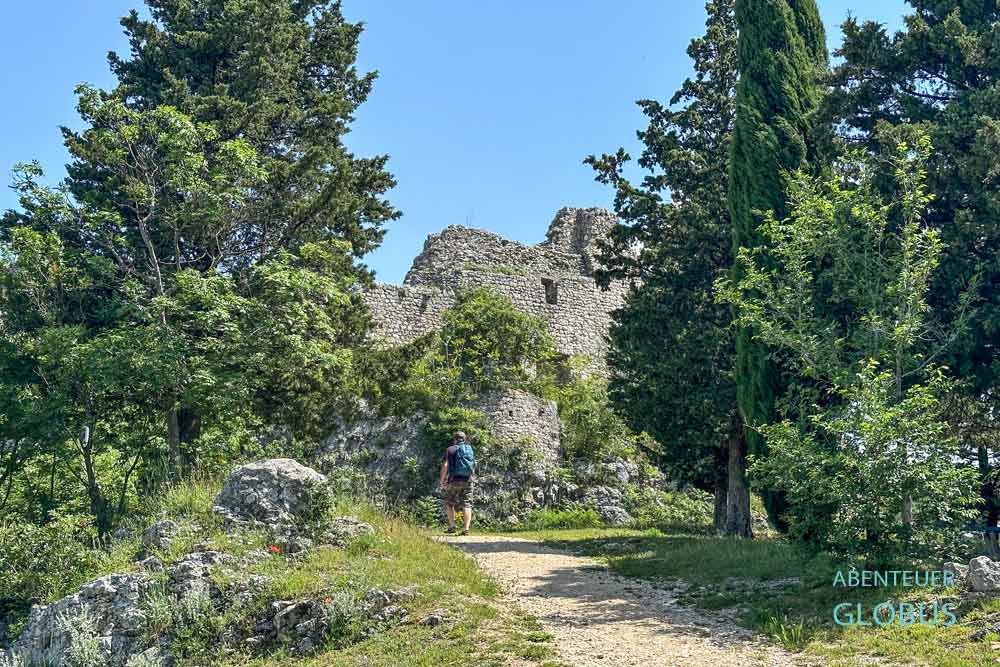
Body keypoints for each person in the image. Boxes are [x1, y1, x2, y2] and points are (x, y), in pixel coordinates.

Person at [440, 431, 476, 535]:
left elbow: (445, 465)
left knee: (448, 502)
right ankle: (466, 529)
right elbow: (473, 464)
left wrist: (442, 480)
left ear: (455, 439)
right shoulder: (469, 449)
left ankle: (452, 526)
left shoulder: (450, 449)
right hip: (468, 480)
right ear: (464, 439)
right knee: (467, 503)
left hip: (454, 480)